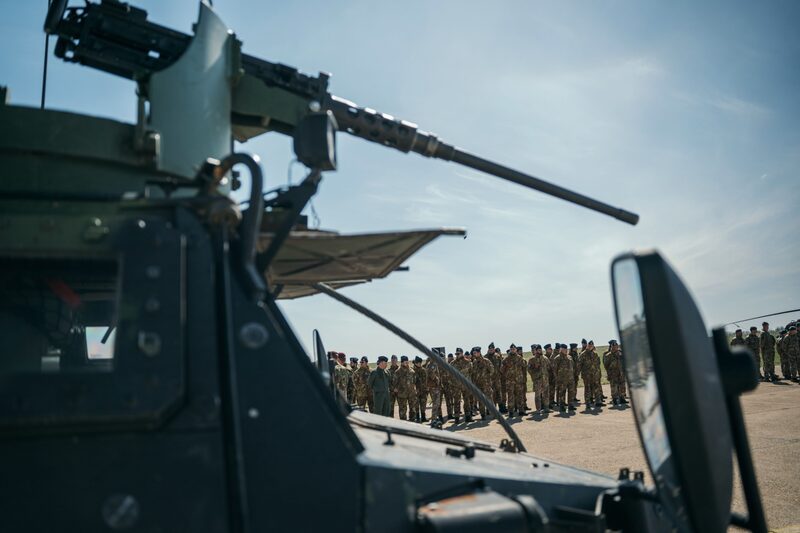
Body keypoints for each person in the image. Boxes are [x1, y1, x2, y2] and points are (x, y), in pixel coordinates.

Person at [470, 347, 495, 420]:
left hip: (486, 384)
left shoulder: (486, 361)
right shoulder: (474, 362)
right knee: (480, 400)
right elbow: (473, 373)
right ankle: (483, 414)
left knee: (489, 399)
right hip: (478, 384)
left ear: (479, 352)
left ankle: (493, 413)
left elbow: (492, 370)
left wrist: (487, 378)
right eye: (474, 353)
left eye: (475, 353)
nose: (474, 354)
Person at [527, 344, 550, 414]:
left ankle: (546, 407)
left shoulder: (545, 358)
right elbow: (529, 370)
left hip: (545, 380)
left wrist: (546, 375)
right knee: (537, 395)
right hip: (537, 380)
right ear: (536, 350)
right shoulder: (532, 359)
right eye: (538, 350)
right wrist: (535, 374)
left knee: (545, 394)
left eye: (540, 350)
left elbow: (549, 368)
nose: (539, 351)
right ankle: (538, 409)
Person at [452, 348, 472, 423]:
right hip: (456, 385)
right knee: (457, 401)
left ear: (462, 353)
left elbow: (471, 372)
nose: (457, 355)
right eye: (456, 354)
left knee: (467, 401)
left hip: (465, 385)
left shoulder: (468, 362)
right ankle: (457, 418)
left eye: (458, 353)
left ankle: (468, 416)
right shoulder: (453, 363)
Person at [553, 344, 575, 412]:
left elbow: (573, 367)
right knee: (562, 393)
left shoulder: (569, 357)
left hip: (570, 378)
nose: (566, 350)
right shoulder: (557, 358)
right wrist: (557, 378)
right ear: (561, 350)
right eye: (564, 349)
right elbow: (554, 369)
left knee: (571, 392)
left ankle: (570, 405)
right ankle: (562, 406)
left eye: (566, 349)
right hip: (562, 379)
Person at [393, 355, 416, 420]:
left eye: (407, 361)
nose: (406, 363)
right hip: (402, 394)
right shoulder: (398, 372)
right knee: (402, 409)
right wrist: (396, 389)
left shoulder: (412, 371)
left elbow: (414, 381)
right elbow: (394, 383)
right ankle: (403, 422)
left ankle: (412, 420)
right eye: (405, 362)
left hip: (411, 393)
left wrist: (414, 389)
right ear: (402, 362)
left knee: (412, 408)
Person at [425, 356, 443, 425]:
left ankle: (435, 418)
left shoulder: (433, 364)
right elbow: (432, 375)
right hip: (434, 387)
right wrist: (438, 380)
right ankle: (434, 419)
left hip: (435, 386)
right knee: (436, 403)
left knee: (436, 403)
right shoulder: (432, 365)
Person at [412, 356, 428, 422]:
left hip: (423, 390)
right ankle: (417, 417)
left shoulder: (423, 370)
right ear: (415, 363)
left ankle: (423, 417)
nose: (419, 364)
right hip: (416, 391)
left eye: (420, 362)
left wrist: (427, 388)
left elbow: (426, 379)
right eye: (417, 362)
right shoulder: (412, 370)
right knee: (416, 405)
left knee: (423, 404)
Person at [442, 353, 456, 419]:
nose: (451, 358)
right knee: (448, 400)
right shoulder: (443, 365)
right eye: (449, 357)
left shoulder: (453, 364)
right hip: (445, 385)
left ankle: (452, 413)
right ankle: (450, 414)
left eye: (451, 357)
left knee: (452, 400)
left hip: (452, 385)